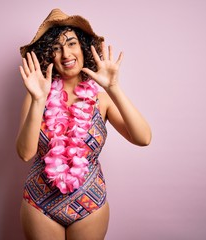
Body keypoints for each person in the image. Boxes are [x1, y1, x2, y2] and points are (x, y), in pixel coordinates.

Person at [16, 8, 151, 240]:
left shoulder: (102, 99)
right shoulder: (36, 94)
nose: (65, 53)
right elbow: (25, 153)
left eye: (71, 43)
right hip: (40, 204)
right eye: (56, 48)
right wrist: (39, 100)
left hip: (90, 204)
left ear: (83, 47)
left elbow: (143, 138)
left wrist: (114, 88)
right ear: (48, 55)